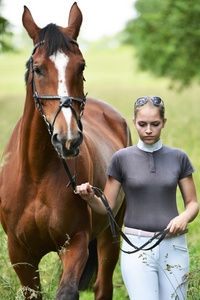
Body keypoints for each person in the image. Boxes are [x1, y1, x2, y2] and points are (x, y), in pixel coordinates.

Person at [76, 96, 199, 300]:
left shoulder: (179, 157)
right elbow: (107, 207)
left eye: (155, 124)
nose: (148, 130)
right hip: (136, 247)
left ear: (164, 123)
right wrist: (90, 198)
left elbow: (193, 203)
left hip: (174, 246)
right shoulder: (121, 159)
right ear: (134, 123)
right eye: (142, 124)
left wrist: (184, 217)